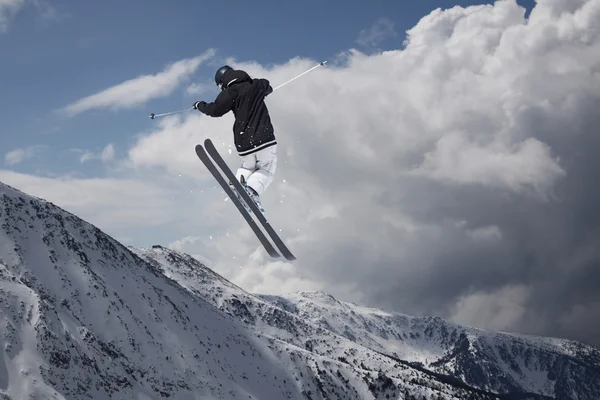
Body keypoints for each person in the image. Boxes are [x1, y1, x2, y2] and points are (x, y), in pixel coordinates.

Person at [193, 65, 276, 212]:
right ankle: (251, 190)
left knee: (248, 167)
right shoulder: (256, 84)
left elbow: (215, 110)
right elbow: (267, 85)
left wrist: (200, 105)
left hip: (244, 142)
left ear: (222, 82)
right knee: (266, 168)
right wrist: (263, 92)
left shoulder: (230, 93)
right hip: (264, 138)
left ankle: (238, 183)